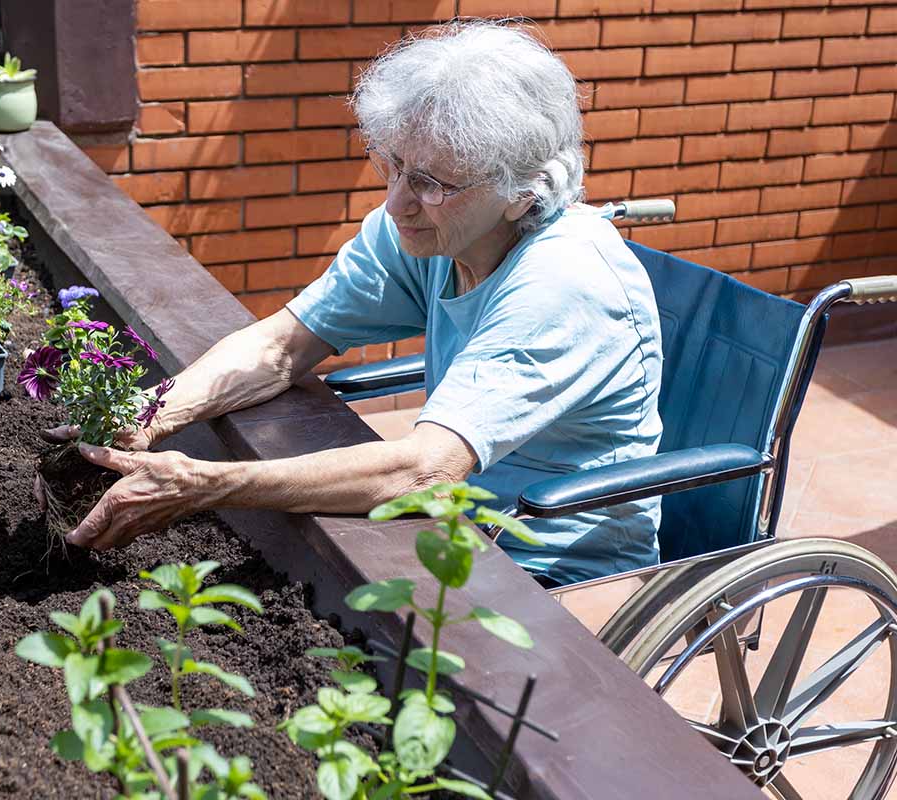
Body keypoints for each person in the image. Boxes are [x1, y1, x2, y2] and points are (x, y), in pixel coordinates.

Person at [46, 20, 663, 587]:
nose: (396, 202)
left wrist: (206, 485)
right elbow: (281, 345)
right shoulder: (437, 231)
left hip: (555, 572)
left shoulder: (563, 285)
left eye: (430, 183)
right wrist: (150, 412)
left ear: (522, 196)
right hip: (452, 538)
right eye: (392, 166)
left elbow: (422, 471)